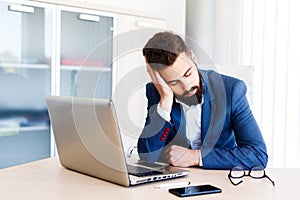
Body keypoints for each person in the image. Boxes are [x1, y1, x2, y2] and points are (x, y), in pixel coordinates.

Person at [137, 31, 268, 170]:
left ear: (193, 58)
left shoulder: (232, 90)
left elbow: (258, 155)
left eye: (188, 73)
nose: (187, 87)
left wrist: (196, 156)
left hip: (222, 181)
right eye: (174, 82)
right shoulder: (157, 92)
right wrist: (165, 101)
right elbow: (147, 156)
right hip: (176, 184)